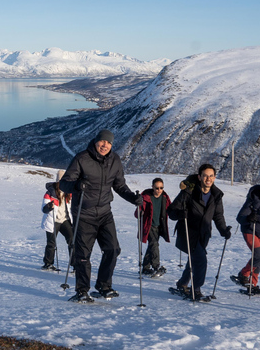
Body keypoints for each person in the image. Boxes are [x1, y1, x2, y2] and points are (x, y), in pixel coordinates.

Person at [59, 129, 142, 303]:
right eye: (102, 142)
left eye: (109, 143)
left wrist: (133, 198)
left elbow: (120, 186)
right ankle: (82, 291)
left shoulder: (115, 160)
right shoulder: (82, 159)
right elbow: (64, 184)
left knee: (112, 249)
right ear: (96, 141)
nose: (105, 145)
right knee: (83, 255)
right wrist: (77, 185)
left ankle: (104, 286)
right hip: (84, 214)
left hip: (105, 213)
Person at [168, 163, 232, 300]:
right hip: (187, 233)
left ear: (214, 178)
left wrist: (223, 230)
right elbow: (171, 212)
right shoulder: (188, 192)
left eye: (211, 176)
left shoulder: (216, 195)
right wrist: (181, 214)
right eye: (205, 176)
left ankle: (182, 283)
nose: (208, 178)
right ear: (199, 177)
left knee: (194, 259)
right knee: (201, 260)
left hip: (204, 234)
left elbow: (218, 216)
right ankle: (195, 289)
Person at [135, 177, 171, 276]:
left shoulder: (164, 197)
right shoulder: (146, 197)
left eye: (161, 188)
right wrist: (140, 211)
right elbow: (137, 213)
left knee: (152, 246)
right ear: (152, 187)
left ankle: (146, 268)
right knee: (154, 245)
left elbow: (170, 208)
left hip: (159, 226)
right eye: (157, 188)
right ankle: (156, 266)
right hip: (148, 225)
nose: (159, 190)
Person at [41, 169, 73, 271]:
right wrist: (49, 206)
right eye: (62, 181)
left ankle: (76, 265)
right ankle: (48, 264)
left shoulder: (70, 193)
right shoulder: (50, 193)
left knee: (72, 241)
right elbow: (44, 209)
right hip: (53, 220)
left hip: (65, 220)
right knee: (51, 243)